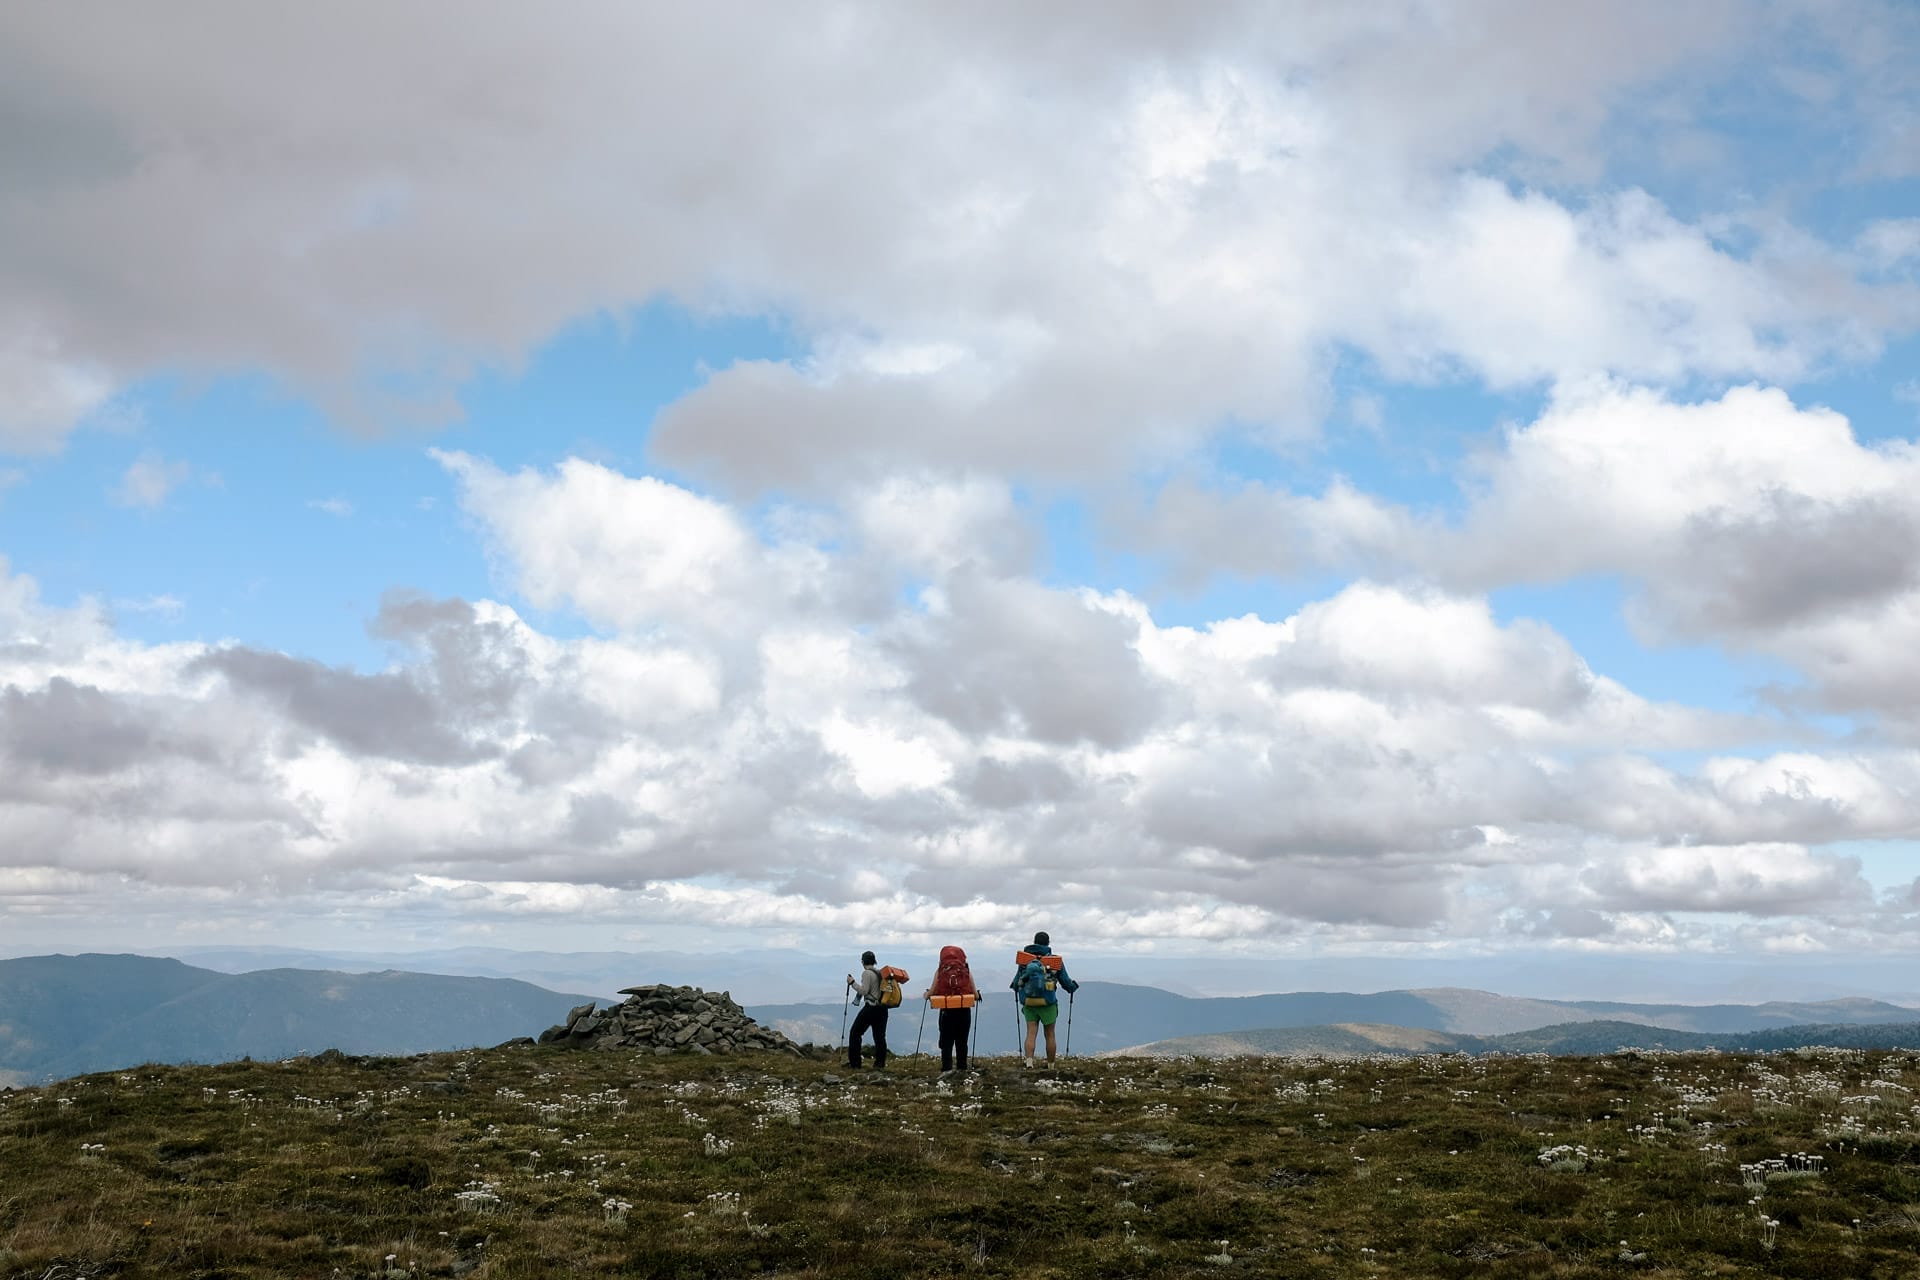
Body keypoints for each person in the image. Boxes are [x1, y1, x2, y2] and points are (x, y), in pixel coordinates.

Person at [1011, 930, 1078, 1068]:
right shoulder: (1054, 960)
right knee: (1050, 1034)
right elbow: (1065, 981)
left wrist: (1016, 987)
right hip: (1048, 1002)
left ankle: (1029, 1063)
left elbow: (1017, 981)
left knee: (1031, 1033)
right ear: (1048, 943)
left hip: (1029, 1002)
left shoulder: (1025, 960)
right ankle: (1051, 1065)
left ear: (1034, 942)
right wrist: (1072, 987)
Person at [924, 944, 979, 1075]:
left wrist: (926, 995)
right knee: (962, 1041)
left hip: (946, 1012)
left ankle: (946, 1069)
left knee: (946, 1041)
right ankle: (962, 1069)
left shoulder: (940, 971)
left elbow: (932, 992)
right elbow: (975, 995)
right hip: (964, 1011)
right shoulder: (966, 971)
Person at [845, 950, 889, 1070]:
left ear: (863, 962)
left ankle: (855, 1063)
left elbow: (864, 991)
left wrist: (852, 983)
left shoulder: (867, 974)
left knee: (855, 1033)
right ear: (874, 961)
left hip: (871, 1007)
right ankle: (880, 1064)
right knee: (879, 1037)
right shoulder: (880, 973)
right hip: (882, 1009)